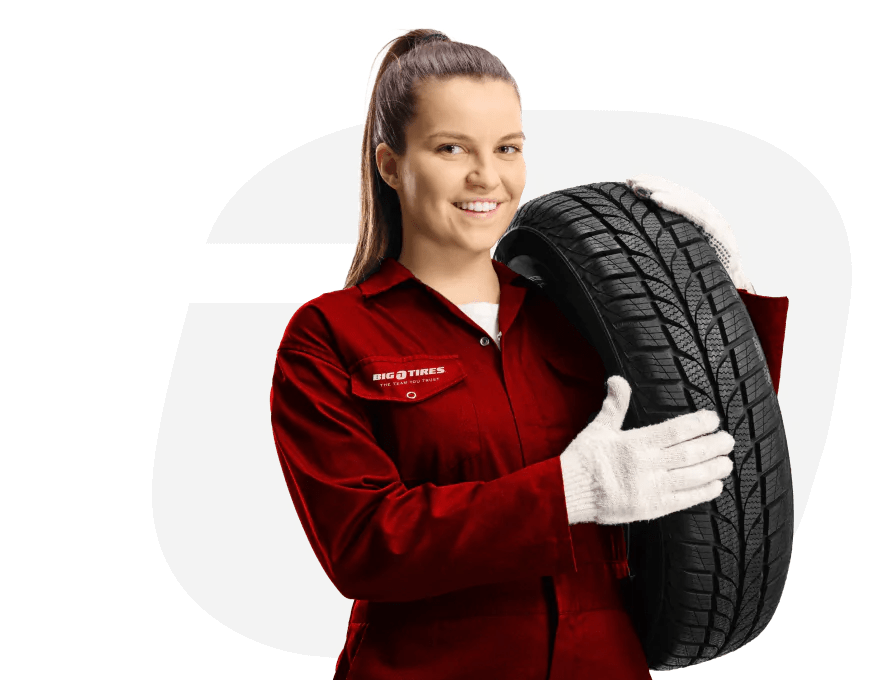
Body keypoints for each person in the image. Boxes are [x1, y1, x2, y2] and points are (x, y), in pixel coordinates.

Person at [269, 29, 789, 680]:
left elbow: (713, 450)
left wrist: (706, 288)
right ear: (390, 164)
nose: (486, 176)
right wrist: (566, 493)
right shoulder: (331, 335)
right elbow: (363, 545)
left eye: (506, 148)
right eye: (451, 147)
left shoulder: (576, 313)